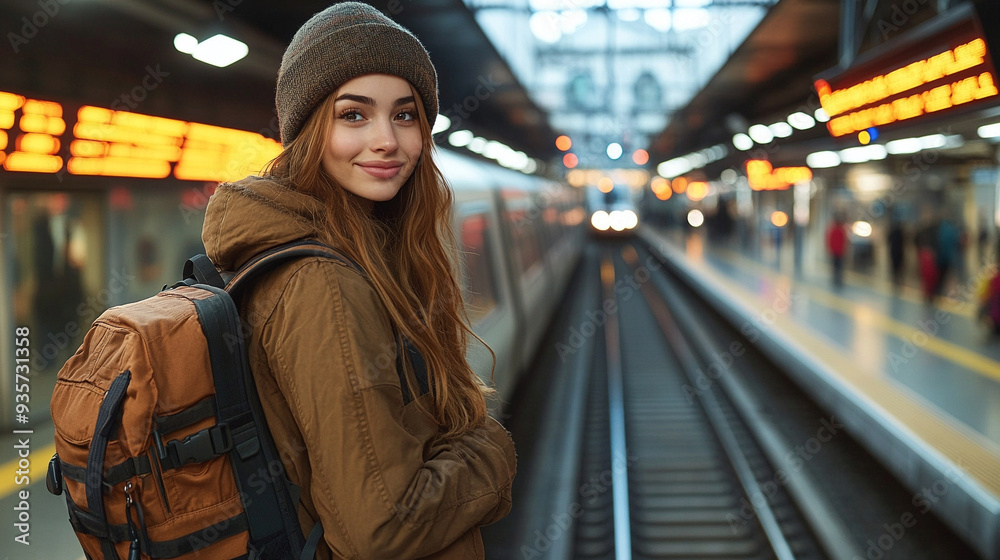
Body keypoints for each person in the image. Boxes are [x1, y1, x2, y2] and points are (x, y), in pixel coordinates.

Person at [200, 4, 516, 558]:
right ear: (308, 129)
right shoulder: (322, 283)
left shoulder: (361, 250)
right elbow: (381, 529)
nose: (386, 140)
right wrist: (493, 453)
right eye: (353, 115)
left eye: (405, 115)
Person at [826, 213, 848, 289]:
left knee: (836, 266)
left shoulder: (835, 230)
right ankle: (838, 279)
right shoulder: (841, 230)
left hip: (836, 251)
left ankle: (836, 278)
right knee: (838, 266)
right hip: (839, 252)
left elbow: (830, 240)